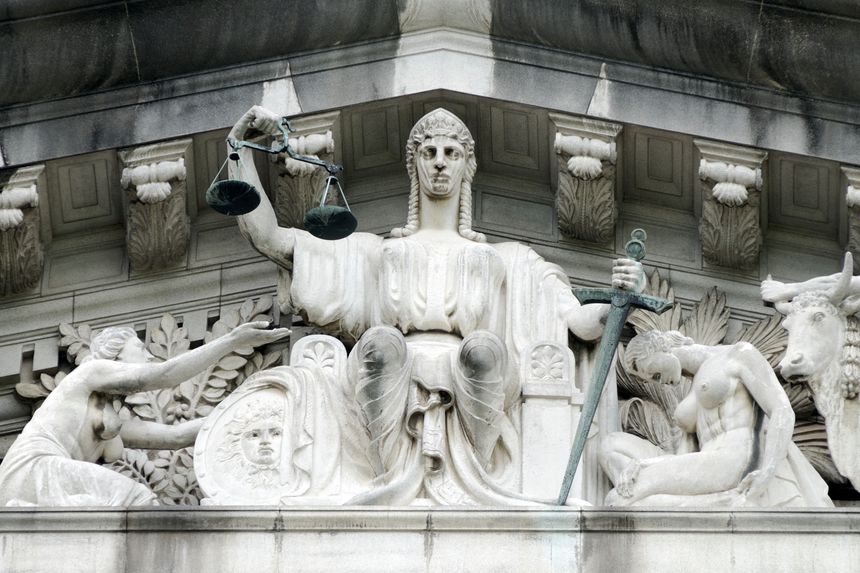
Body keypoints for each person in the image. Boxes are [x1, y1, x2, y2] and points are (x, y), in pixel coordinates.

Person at [229, 105, 645, 505]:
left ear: (468, 165)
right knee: (381, 345)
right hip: (391, 369)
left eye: (452, 153)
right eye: (429, 153)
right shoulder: (375, 254)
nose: (440, 162)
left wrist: (618, 300)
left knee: (482, 350)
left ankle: (473, 471)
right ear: (415, 165)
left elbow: (578, 323)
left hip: (476, 374)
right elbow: (272, 240)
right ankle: (390, 469)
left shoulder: (511, 260)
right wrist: (239, 149)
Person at [0, 321, 289, 506]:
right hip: (33, 471)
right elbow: (163, 374)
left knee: (122, 506)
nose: (148, 355)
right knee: (135, 499)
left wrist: (248, 413)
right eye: (139, 348)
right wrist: (233, 340)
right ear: (116, 356)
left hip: (49, 477)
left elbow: (175, 436)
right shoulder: (90, 373)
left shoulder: (110, 417)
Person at [600, 330, 832, 507]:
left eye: (652, 371)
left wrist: (767, 472)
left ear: (661, 348)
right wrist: (645, 464)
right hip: (707, 462)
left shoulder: (738, 354)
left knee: (618, 498)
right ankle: (717, 502)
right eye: (648, 379)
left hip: (734, 458)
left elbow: (781, 410)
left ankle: (721, 501)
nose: (654, 380)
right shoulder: (692, 388)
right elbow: (684, 456)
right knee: (611, 446)